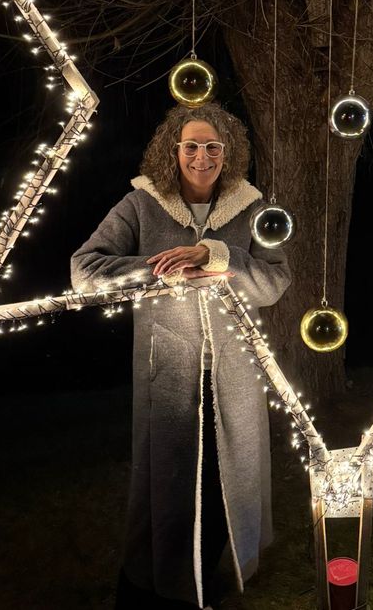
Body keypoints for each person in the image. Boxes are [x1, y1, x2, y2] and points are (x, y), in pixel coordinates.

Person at [71, 103, 291, 609]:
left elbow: (275, 280)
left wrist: (216, 255)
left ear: (227, 153)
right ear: (173, 150)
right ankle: (154, 584)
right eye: (191, 145)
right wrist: (163, 269)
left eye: (213, 146)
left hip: (232, 369)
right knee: (167, 483)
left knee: (223, 482)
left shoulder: (253, 209)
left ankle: (203, 579)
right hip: (167, 367)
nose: (202, 156)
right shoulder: (142, 204)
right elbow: (85, 270)